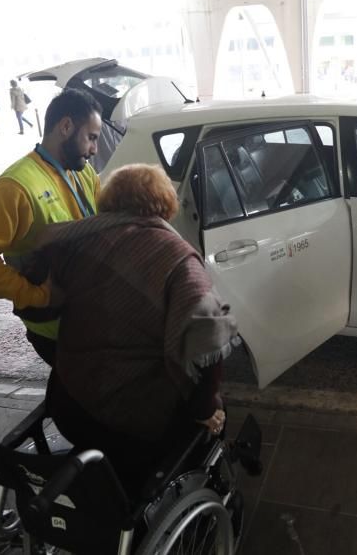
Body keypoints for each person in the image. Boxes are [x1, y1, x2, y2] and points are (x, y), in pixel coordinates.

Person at [42, 164, 237, 496]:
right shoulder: (178, 261)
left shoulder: (79, 239)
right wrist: (206, 410)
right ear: (165, 205)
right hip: (130, 423)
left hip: (67, 401)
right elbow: (208, 346)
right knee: (216, 415)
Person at [0, 89, 102, 366]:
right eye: (91, 138)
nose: (94, 149)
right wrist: (37, 295)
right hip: (56, 329)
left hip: (88, 317)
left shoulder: (83, 172)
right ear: (66, 127)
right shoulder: (16, 185)